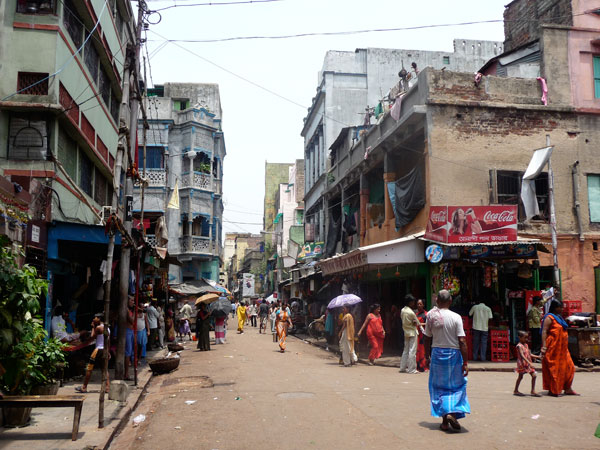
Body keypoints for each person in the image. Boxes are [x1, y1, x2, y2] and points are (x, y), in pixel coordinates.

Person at [423, 289, 470, 432]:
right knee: (456, 386)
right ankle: (451, 413)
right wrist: (466, 362)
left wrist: (426, 356)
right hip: (454, 354)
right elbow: (462, 341)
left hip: (437, 353)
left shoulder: (431, 316)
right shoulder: (456, 317)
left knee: (439, 387)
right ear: (450, 301)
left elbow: (427, 337)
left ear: (437, 301)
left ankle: (445, 420)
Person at [541, 301, 578, 397]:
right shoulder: (549, 318)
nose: (562, 309)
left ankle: (567, 388)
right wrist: (544, 346)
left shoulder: (559, 318)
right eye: (560, 307)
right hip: (553, 347)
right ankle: (554, 390)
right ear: (555, 307)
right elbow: (544, 331)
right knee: (554, 369)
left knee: (570, 367)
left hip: (563, 348)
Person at [76, 315, 109, 393]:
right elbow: (108, 340)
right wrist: (108, 351)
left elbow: (92, 337)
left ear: (99, 319)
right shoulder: (107, 327)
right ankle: (107, 387)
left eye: (95, 318)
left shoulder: (98, 328)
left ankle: (84, 387)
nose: (94, 319)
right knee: (104, 369)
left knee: (89, 368)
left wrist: (93, 327)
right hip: (104, 349)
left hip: (98, 349)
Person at [514, 330, 542, 397]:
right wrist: (529, 362)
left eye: (527, 337)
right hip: (522, 364)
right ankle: (516, 390)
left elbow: (529, 354)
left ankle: (533, 390)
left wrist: (538, 357)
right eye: (525, 337)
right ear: (520, 337)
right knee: (520, 377)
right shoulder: (519, 346)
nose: (526, 339)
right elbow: (522, 355)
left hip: (528, 364)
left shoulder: (526, 345)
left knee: (534, 375)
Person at [399, 294, 420, 374]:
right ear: (410, 302)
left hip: (406, 331)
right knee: (412, 351)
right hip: (412, 332)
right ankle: (412, 369)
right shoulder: (411, 312)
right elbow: (417, 323)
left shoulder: (402, 310)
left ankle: (402, 367)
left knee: (405, 350)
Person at [415, 299, 428, 372]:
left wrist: (421, 324)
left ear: (423, 305)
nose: (419, 305)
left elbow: (429, 324)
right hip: (416, 334)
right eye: (418, 304)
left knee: (423, 350)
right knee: (417, 350)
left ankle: (423, 366)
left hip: (423, 335)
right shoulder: (416, 314)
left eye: (420, 304)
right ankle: (418, 366)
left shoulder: (426, 314)